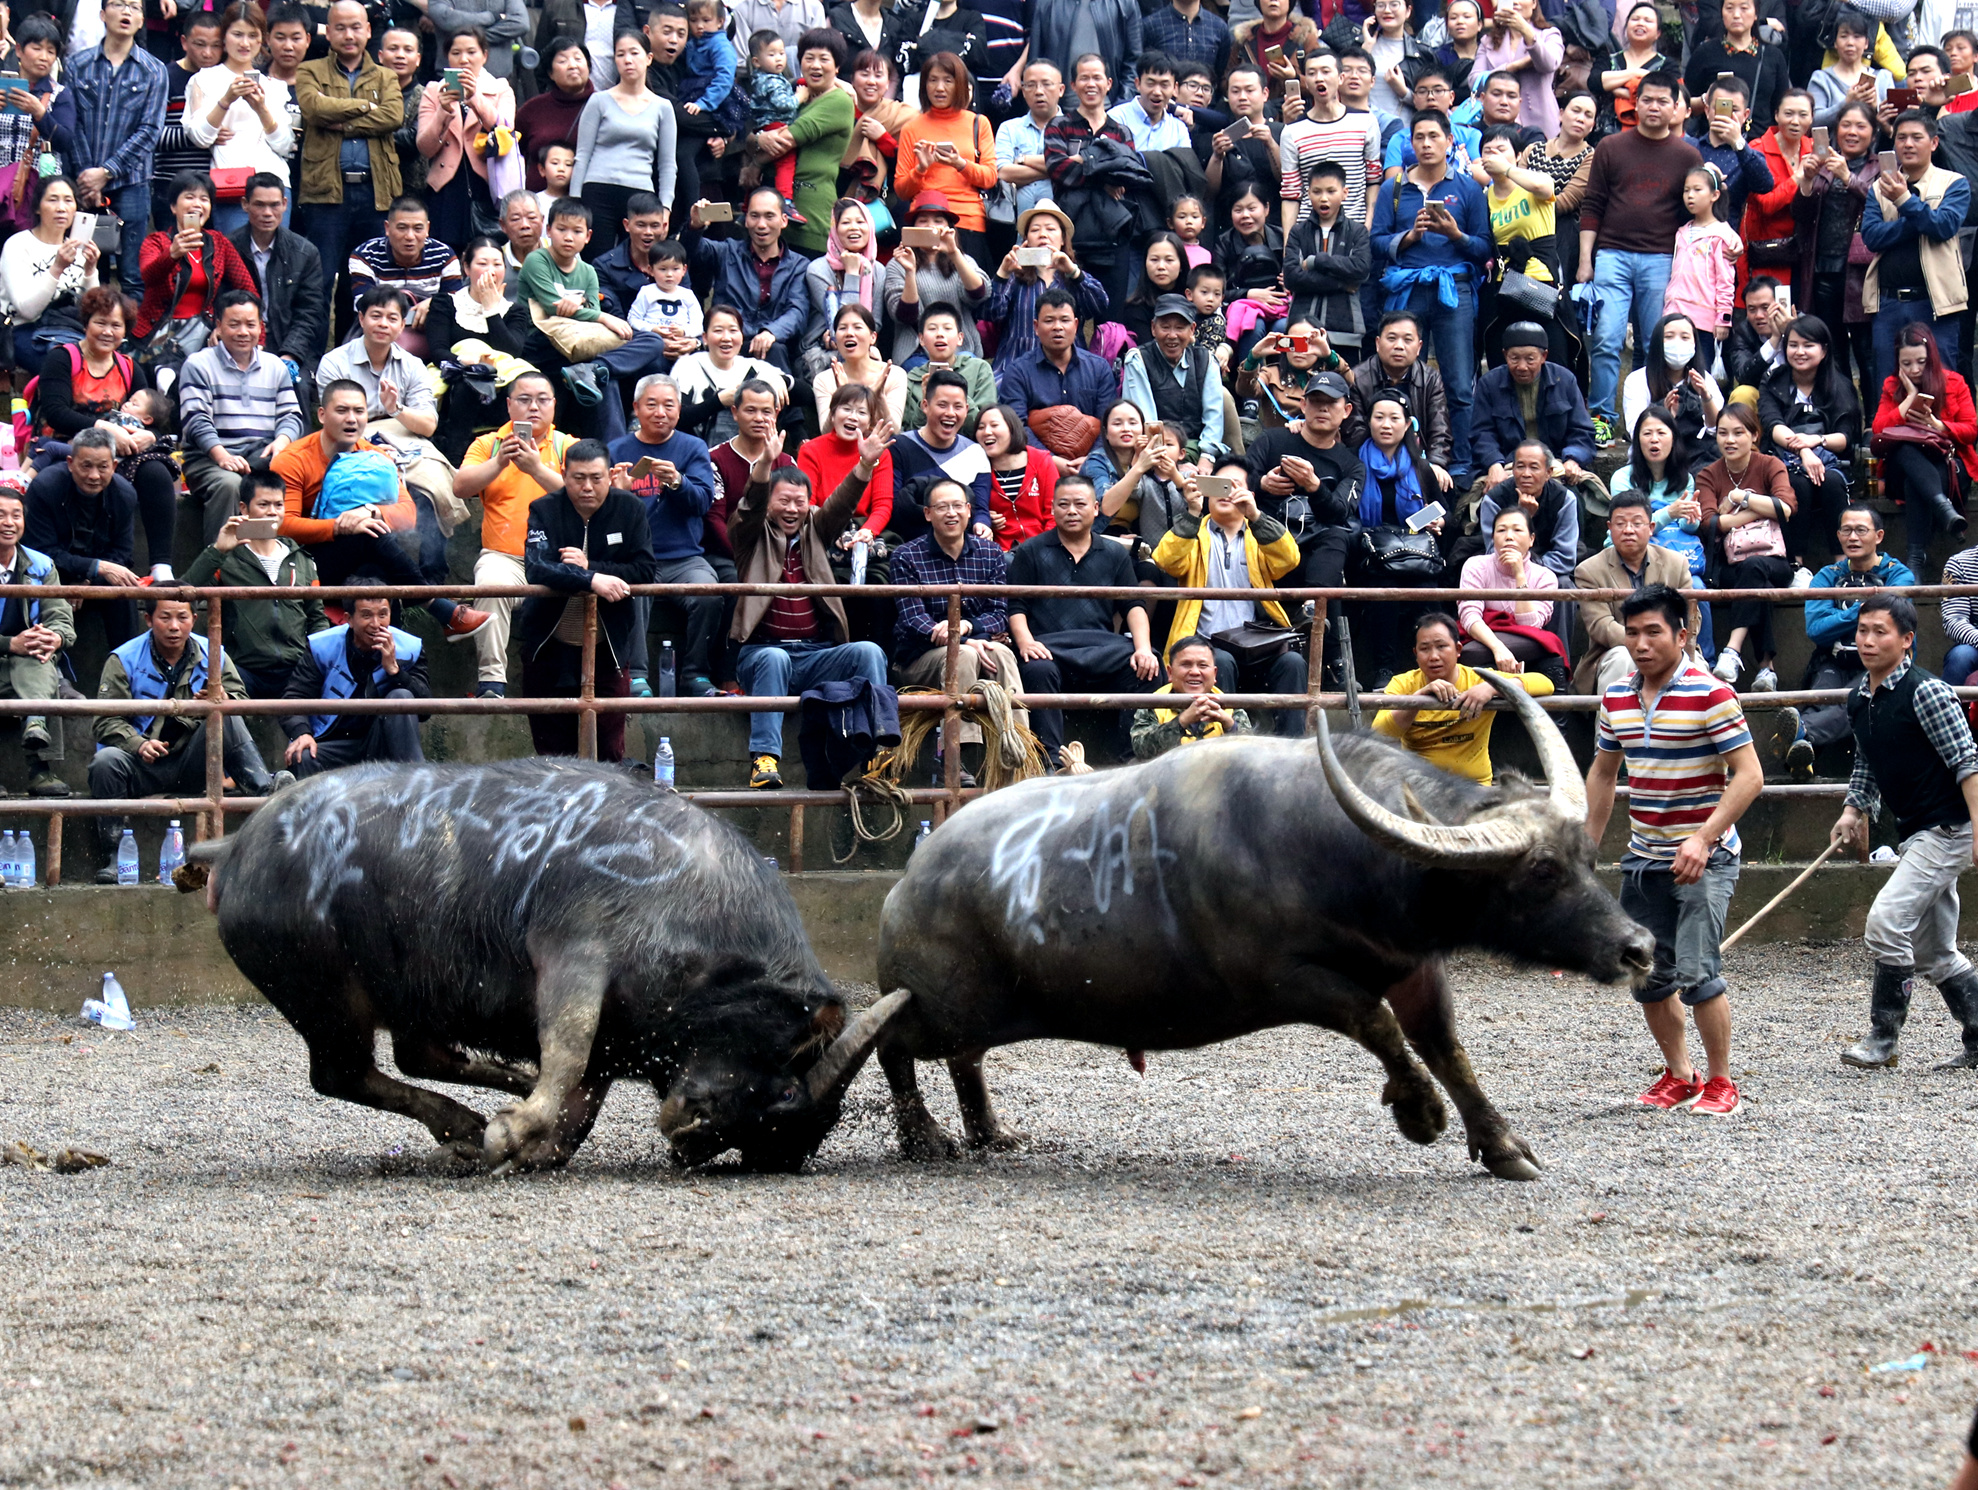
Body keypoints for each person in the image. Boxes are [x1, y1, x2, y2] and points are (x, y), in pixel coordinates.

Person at [1584, 583, 1761, 1116]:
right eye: (1632, 632)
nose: (1640, 644)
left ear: (1682, 635)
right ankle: (1681, 1075)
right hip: (1645, 855)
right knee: (1646, 973)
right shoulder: (1616, 696)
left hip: (1707, 856)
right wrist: (1584, 851)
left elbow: (1750, 776)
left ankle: (1723, 1082)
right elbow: (1603, 773)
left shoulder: (1710, 693)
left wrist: (1704, 838)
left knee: (1699, 971)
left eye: (1653, 632)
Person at [1826, 593, 1978, 1070]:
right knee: (1936, 952)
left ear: (1907, 640)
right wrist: (1853, 810)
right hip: (1917, 833)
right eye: (1862, 630)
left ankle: (1882, 1038)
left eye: (1880, 632)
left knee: (1887, 924)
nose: (1868, 640)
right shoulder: (1860, 698)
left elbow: (1967, 761)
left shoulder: (1927, 691)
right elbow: (1869, 762)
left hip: (1949, 828)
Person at [89, 586, 286, 878]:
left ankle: (265, 792)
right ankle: (115, 857)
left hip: (194, 761)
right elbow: (104, 721)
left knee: (224, 717)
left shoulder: (213, 653)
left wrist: (219, 701)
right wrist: (138, 743)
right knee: (105, 762)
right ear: (148, 619)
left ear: (194, 619)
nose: (173, 626)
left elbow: (242, 702)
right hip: (143, 763)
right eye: (165, 617)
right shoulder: (123, 659)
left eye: (182, 617)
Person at [728, 441, 893, 788]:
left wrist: (865, 463)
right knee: (773, 658)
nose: (792, 509)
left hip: (816, 653)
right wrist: (766, 463)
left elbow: (840, 504)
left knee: (869, 651)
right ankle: (765, 759)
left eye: (799, 502)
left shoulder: (815, 532)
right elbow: (750, 504)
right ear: (770, 502)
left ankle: (877, 752)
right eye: (783, 501)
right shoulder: (749, 535)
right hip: (762, 654)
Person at [272, 380, 492, 640]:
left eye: (359, 411)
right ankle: (440, 608)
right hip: (307, 564)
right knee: (368, 535)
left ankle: (395, 669)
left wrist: (370, 512)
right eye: (342, 411)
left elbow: (408, 514)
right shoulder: (293, 459)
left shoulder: (376, 457)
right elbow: (283, 526)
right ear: (321, 415)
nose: (352, 419)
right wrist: (339, 525)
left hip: (363, 561)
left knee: (377, 576)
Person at [1577, 70, 1703, 446]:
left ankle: (1653, 419)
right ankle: (1602, 417)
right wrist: (1587, 260)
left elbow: (1692, 210)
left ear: (1677, 107)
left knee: (1655, 345)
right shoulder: (1611, 147)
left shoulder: (1687, 155)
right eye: (1647, 99)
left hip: (1662, 257)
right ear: (1635, 102)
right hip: (1612, 254)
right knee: (1606, 339)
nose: (1654, 107)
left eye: (1664, 100)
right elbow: (1593, 204)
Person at [516, 439, 657, 761]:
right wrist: (591, 580)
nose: (588, 487)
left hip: (608, 646)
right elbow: (537, 567)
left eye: (596, 478)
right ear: (564, 475)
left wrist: (592, 567)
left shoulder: (630, 508)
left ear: (610, 475)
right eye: (578, 478)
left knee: (608, 748)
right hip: (548, 645)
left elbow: (646, 569)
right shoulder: (545, 508)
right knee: (552, 751)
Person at [1370, 110, 1489, 490]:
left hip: (1454, 288)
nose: (1425, 144)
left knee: (1457, 383)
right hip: (1408, 290)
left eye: (1433, 136)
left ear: (1450, 141)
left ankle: (1461, 464)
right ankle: (1407, 455)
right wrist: (1409, 238)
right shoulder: (1394, 189)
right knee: (1403, 378)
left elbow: (1485, 247)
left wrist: (1456, 235)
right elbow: (1376, 243)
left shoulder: (1468, 189)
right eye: (1418, 137)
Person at [1006, 476, 1159, 769]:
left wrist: (1143, 648)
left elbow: (1133, 605)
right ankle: (1051, 762)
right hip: (1050, 648)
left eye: (1080, 504)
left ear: (1096, 508)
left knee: (1148, 668)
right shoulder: (1031, 551)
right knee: (1037, 669)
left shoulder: (1114, 553)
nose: (1072, 511)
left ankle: (1133, 759)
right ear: (1052, 509)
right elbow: (1017, 605)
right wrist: (1025, 641)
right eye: (1063, 504)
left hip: (1101, 648)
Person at [1150, 460, 1305, 735]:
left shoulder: (1259, 533)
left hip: (1259, 644)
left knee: (1293, 663)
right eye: (1219, 486)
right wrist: (1192, 512)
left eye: (1235, 487)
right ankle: (1224, 745)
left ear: (1250, 495)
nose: (1226, 493)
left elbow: (1289, 560)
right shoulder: (1193, 531)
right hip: (1209, 645)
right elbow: (1165, 560)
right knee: (1220, 661)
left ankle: (1292, 747)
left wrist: (1256, 516)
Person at [889, 479, 1023, 781]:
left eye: (957, 506)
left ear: (968, 510)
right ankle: (958, 755)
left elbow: (999, 614)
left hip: (977, 647)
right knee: (961, 654)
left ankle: (1018, 746)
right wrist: (962, 639)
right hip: (919, 658)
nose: (951, 513)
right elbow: (913, 619)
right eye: (941, 507)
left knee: (1002, 652)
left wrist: (966, 628)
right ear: (927, 513)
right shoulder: (906, 557)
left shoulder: (990, 554)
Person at [454, 372, 572, 698]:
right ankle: (491, 682)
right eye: (524, 400)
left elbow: (584, 497)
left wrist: (536, 468)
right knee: (490, 584)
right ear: (508, 405)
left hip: (558, 556)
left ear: (554, 405)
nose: (533, 407)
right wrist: (500, 462)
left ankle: (576, 682)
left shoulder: (568, 445)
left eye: (542, 399)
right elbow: (460, 485)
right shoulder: (488, 444)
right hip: (504, 558)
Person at [608, 374, 726, 697]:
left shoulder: (692, 447)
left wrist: (677, 481)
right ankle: (636, 676)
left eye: (668, 405)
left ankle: (695, 674)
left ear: (678, 410)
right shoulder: (617, 449)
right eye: (651, 404)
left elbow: (703, 502)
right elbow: (601, 514)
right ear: (635, 408)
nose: (660, 412)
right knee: (628, 591)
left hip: (684, 556)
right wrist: (619, 496)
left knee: (710, 594)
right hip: (636, 555)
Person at [1786, 504, 1915, 780]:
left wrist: (1842, 614)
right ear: (1838, 535)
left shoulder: (1898, 574)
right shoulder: (1827, 576)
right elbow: (1817, 629)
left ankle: (1801, 734)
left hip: (1883, 664)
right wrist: (1864, 608)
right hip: (1834, 659)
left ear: (1878, 536)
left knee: (1858, 698)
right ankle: (1801, 755)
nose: (1852, 537)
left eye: (1861, 530)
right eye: (1846, 530)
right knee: (1819, 698)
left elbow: (1889, 620)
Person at [294, 0, 405, 316]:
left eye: (356, 26)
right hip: (326, 191)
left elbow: (393, 116)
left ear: (369, 31)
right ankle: (311, 359)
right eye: (340, 27)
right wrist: (367, 107)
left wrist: (342, 118)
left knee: (366, 282)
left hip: (375, 192)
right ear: (327, 33)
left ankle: (357, 353)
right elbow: (314, 109)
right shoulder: (309, 70)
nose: (349, 34)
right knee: (321, 279)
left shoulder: (386, 76)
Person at [181, 468, 329, 699]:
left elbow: (316, 616)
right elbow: (184, 595)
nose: (272, 512)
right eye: (263, 505)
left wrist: (317, 659)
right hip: (241, 669)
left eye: (278, 505)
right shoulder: (226, 557)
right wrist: (217, 551)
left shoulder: (301, 558)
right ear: (243, 508)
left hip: (295, 669)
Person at [176, 290, 305, 545]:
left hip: (261, 457)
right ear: (219, 326)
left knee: (298, 477)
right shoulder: (198, 364)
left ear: (261, 326)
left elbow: (291, 415)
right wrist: (222, 456)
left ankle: (280, 563)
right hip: (209, 460)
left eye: (250, 324)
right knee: (231, 485)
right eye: (234, 324)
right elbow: (196, 419)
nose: (243, 332)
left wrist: (281, 442)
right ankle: (219, 565)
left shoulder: (275, 366)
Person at [65, 0, 169, 298]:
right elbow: (74, 126)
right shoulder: (77, 64)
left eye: (134, 7)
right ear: (102, 14)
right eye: (119, 4)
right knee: (87, 266)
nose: (126, 12)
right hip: (84, 182)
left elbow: (150, 131)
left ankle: (131, 342)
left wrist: (107, 172)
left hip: (131, 183)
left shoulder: (154, 70)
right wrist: (89, 176)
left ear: (141, 21)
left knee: (132, 274)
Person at [1374, 610, 1552, 783]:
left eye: (1442, 646)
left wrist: (1492, 687)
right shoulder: (1403, 683)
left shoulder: (1478, 678)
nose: (1434, 656)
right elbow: (1379, 733)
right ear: (1416, 655)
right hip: (1422, 788)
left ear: (1458, 649)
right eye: (1425, 649)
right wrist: (1418, 699)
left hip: (1475, 787)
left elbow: (1545, 683)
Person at [1864, 111, 1971, 396]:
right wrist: (1917, 219)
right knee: (1887, 384)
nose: (1908, 144)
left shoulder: (1954, 183)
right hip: (1889, 302)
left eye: (1916, 137)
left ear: (1934, 143)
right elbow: (1872, 237)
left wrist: (1904, 201)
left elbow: (1944, 226)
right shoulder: (1878, 188)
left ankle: (1942, 440)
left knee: (1941, 381)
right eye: (1901, 138)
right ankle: (1889, 440)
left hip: (1935, 303)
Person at [278, 594, 430, 775]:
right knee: (301, 755)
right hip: (333, 742)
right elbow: (294, 697)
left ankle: (417, 782)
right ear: (349, 619)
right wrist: (302, 733)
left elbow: (425, 708)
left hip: (381, 743)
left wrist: (395, 672)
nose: (376, 624)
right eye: (366, 616)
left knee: (401, 697)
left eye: (383, 615)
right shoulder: (323, 645)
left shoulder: (409, 647)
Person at [1698, 402, 1793, 689]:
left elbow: (1786, 507)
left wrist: (1740, 500)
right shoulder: (1708, 474)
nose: (1730, 440)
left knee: (1755, 570)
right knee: (1754, 580)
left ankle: (1732, 650)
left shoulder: (1769, 464)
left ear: (1754, 435)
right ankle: (1767, 669)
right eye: (1723, 433)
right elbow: (1708, 523)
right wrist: (1759, 509)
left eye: (1738, 432)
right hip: (1728, 566)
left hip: (1774, 560)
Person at [1872, 323, 1978, 580]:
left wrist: (1938, 425)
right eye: (1906, 364)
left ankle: (1915, 561)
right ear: (1897, 361)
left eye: (1921, 361)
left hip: (1948, 466)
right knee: (1906, 447)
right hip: (1904, 462)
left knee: (1915, 484)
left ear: (1931, 357)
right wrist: (1908, 398)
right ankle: (1944, 510)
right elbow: (1878, 430)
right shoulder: (1891, 385)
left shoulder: (1954, 382)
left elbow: (1971, 430)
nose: (1915, 369)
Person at [22, 430, 145, 652]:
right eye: (86, 466)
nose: (94, 475)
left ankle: (126, 666)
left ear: (114, 466)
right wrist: (94, 567)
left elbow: (121, 553)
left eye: (103, 467)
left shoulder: (124, 494)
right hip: (52, 575)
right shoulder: (45, 487)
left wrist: (88, 582)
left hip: (94, 579)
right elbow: (39, 551)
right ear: (70, 463)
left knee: (124, 587)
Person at [1573, 486, 1700, 696]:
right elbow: (1601, 626)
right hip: (1614, 650)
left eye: (1637, 523)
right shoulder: (1589, 570)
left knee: (1698, 670)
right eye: (1620, 524)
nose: (1628, 530)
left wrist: (1662, 647)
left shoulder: (1676, 563)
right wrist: (1645, 644)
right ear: (1609, 527)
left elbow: (1689, 616)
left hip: (1670, 646)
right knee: (1623, 658)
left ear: (1651, 527)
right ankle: (1609, 729)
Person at [1758, 314, 1860, 569]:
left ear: (1824, 350)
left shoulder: (1840, 385)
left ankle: (1844, 564)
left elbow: (1845, 437)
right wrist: (1804, 451)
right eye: (1793, 345)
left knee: (1833, 482)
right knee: (1796, 485)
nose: (1799, 352)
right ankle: (1796, 565)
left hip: (1830, 460)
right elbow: (1774, 426)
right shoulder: (1774, 382)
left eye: (1808, 345)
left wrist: (1816, 440)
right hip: (1783, 459)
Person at [183, 2, 293, 237]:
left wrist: (261, 108)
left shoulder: (275, 86)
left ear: (262, 40)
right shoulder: (203, 80)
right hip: (230, 185)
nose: (245, 43)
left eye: (253, 36)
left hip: (274, 184)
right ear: (225, 37)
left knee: (277, 265)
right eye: (237, 34)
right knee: (235, 265)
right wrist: (227, 99)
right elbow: (200, 137)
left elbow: (285, 145)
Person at [570, 30, 677, 259]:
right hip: (597, 190)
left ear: (648, 58)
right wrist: (575, 203)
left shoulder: (663, 107)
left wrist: (665, 207)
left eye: (634, 53)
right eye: (620, 54)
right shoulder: (599, 100)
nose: (627, 60)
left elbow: (668, 164)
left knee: (640, 263)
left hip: (641, 195)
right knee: (596, 262)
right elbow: (582, 155)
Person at [1798, 101, 1880, 401]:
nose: (1852, 132)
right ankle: (1844, 417)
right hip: (1822, 269)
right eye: (1846, 125)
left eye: (1861, 126)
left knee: (1866, 349)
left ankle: (1873, 421)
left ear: (1873, 134)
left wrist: (1849, 177)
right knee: (1832, 350)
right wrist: (1806, 180)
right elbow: (1801, 216)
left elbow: (1883, 205)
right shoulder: (1823, 166)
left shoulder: (1880, 166)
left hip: (1862, 272)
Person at [684, 189, 811, 376]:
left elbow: (797, 311)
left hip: (771, 345)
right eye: (754, 216)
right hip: (728, 343)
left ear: (784, 220)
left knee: (775, 352)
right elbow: (690, 252)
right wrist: (695, 226)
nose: (761, 224)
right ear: (745, 219)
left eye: (769, 216)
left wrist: (771, 332)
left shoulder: (799, 265)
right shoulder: (727, 251)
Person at [752, 29, 855, 257]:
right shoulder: (797, 95)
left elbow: (786, 139)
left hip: (810, 210)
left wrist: (754, 160)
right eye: (809, 58)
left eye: (824, 59)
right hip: (774, 210)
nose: (815, 65)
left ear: (837, 67)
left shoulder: (838, 101)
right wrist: (756, 138)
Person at [0, 488, 74, 798]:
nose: (8, 522)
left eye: (16, 515)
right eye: (0, 515)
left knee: (43, 657)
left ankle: (40, 769)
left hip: (28, 661)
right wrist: (9, 644)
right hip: (6, 652)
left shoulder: (41, 566)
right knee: (34, 661)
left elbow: (61, 618)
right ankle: (36, 719)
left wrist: (54, 637)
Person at [997, 288, 1116, 477]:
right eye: (1049, 320)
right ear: (1036, 327)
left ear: (1076, 325)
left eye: (1064, 320)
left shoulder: (1099, 368)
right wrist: (1049, 460)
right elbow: (1016, 425)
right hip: (1036, 466)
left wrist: (1093, 459)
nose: (1057, 327)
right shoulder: (1018, 371)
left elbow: (1109, 422)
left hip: (1094, 465)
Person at [415, 27, 516, 250]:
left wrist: (476, 99)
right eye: (456, 53)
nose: (464, 59)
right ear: (447, 57)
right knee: (445, 254)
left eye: (471, 52)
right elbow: (425, 147)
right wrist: (443, 110)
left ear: (485, 55)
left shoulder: (500, 88)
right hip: (446, 188)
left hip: (486, 185)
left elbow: (506, 131)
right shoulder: (433, 90)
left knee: (485, 253)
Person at [891, 53, 997, 263]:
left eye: (948, 81)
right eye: (933, 80)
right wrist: (921, 168)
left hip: (968, 220)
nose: (940, 88)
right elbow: (901, 190)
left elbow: (990, 177)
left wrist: (961, 164)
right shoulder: (912, 127)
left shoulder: (978, 123)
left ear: (960, 85)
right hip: (924, 220)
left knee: (971, 290)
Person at [132, 170, 260, 344]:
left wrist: (223, 327)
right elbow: (148, 277)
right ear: (173, 207)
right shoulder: (156, 241)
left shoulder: (219, 242)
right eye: (189, 197)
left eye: (204, 199)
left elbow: (248, 291)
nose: (197, 204)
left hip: (201, 333)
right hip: (157, 333)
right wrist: (172, 255)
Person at [228, 172, 328, 392]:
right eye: (259, 205)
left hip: (287, 339)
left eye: (274, 205)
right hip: (241, 338)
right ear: (245, 205)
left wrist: (290, 353)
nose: (267, 213)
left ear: (285, 204)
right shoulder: (228, 248)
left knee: (296, 386)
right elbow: (221, 302)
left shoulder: (305, 252)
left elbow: (309, 312)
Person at [983, 200, 1106, 373]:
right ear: (1026, 240)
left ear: (1063, 238)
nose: (1042, 234)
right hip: (1015, 365)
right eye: (1035, 230)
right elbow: (991, 313)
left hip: (1068, 367)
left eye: (1050, 229)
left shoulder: (1073, 276)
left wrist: (1073, 271)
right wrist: (1003, 273)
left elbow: (1099, 304)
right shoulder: (1014, 275)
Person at [1470, 321, 1595, 491]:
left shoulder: (1565, 380)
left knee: (1572, 499)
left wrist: (1573, 459)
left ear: (1543, 357)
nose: (1522, 366)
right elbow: (1482, 433)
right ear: (1505, 355)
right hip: (1509, 465)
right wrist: (1494, 464)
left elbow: (1582, 430)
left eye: (1530, 359)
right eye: (1514, 358)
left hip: (1555, 464)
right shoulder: (1489, 384)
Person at [1457, 502, 1565, 687]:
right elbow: (1469, 615)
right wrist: (1498, 647)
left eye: (1517, 530)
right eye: (1501, 531)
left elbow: (1531, 625)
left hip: (1526, 641)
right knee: (1470, 654)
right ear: (1492, 537)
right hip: (1484, 639)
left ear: (1531, 539)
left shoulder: (1545, 577)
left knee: (1550, 655)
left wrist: (1519, 574)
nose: (1508, 537)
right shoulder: (1475, 566)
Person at [1343, 311, 1452, 490]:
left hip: (1418, 460)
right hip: (1372, 460)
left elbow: (1440, 428)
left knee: (1443, 486)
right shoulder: (1358, 378)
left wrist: (1436, 463)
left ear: (1419, 347)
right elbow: (1354, 433)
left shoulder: (1430, 378)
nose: (1399, 346)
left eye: (1408, 340)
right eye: (1391, 338)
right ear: (1378, 343)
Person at [3, 176, 102, 368]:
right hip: (22, 329)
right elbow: (27, 310)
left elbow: (94, 310)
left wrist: (90, 271)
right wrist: (56, 269)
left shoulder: (78, 249)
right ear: (38, 208)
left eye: (68, 200)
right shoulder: (18, 245)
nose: (61, 208)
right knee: (63, 365)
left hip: (67, 327)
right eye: (52, 199)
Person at [881, 192, 991, 364]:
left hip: (961, 348)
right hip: (916, 350)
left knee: (970, 372)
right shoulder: (897, 264)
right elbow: (904, 315)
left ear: (949, 227)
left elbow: (979, 294)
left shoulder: (963, 260)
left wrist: (954, 253)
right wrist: (910, 271)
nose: (930, 226)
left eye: (938, 221)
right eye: (923, 220)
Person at [1121, 294, 1227, 472]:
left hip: (1197, 447)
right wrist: (1171, 465)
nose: (1172, 335)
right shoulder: (1138, 359)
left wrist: (1206, 458)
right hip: (1154, 451)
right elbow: (1148, 422)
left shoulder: (1206, 360)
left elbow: (1213, 417)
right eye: (1165, 327)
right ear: (1153, 328)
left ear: (1192, 329)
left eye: (1180, 328)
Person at [346, 195, 466, 348]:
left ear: (427, 229)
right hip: (382, 330)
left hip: (432, 331)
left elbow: (459, 302)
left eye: (417, 228)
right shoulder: (365, 255)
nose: (410, 236)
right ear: (387, 228)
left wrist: (433, 303)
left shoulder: (444, 255)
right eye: (402, 228)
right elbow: (363, 305)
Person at [1622, 312, 1725, 478]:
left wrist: (1706, 398)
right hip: (1652, 460)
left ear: (1695, 344)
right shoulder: (1637, 380)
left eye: (1685, 337)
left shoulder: (1705, 380)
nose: (1677, 343)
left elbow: (1718, 429)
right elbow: (1635, 430)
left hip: (1697, 459)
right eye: (1669, 337)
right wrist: (1663, 416)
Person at [674, 304, 793, 444]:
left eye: (733, 331)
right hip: (697, 454)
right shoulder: (688, 365)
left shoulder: (754, 367)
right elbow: (676, 418)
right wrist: (718, 401)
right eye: (718, 331)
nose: (726, 338)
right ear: (705, 337)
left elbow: (805, 394)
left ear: (742, 336)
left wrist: (781, 380)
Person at [1130, 633, 1256, 758]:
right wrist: (1182, 721)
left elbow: (1251, 753)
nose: (1195, 672)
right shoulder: (1153, 704)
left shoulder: (1230, 705)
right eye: (1186, 665)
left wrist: (1228, 723)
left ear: (1215, 674)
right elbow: (1143, 752)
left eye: (1203, 665)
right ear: (1170, 673)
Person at [1680, 0, 1786, 133]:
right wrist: (1706, 99)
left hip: (1759, 146)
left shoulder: (1773, 56)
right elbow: (1684, 104)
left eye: (1744, 8)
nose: (1736, 15)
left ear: (1756, 14)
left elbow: (1781, 105)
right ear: (1722, 13)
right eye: (1729, 8)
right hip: (1715, 143)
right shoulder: (1705, 53)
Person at [1664, 164, 1740, 345]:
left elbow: (1725, 280)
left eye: (1697, 190)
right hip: (1673, 312)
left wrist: (1723, 317)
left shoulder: (1721, 235)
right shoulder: (1682, 232)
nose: (1690, 195)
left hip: (1703, 319)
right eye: (1686, 190)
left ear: (1715, 195)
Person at [902, 304, 997, 436]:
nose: (940, 334)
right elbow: (909, 433)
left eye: (947, 328)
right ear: (922, 339)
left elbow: (985, 426)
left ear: (960, 338)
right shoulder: (912, 379)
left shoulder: (979, 369)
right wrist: (926, 401)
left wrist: (958, 390)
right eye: (932, 329)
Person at [811, 302, 907, 430]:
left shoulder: (894, 375)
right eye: (842, 328)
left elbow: (894, 430)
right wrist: (842, 394)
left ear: (873, 337)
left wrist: (879, 398)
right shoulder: (824, 380)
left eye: (857, 327)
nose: (849, 333)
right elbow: (826, 431)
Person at [974, 404, 1055, 551]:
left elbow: (1054, 514)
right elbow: (972, 511)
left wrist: (1046, 550)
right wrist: (985, 519)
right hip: (1000, 554)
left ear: (1012, 428)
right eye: (980, 428)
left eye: (994, 425)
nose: (986, 432)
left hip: (1044, 547)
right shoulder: (977, 468)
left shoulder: (1041, 460)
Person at [518, 40, 595, 189]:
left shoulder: (603, 106)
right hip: (538, 202)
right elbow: (512, 151)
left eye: (578, 59)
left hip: (585, 202)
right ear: (550, 73)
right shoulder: (533, 109)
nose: (573, 65)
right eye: (562, 61)